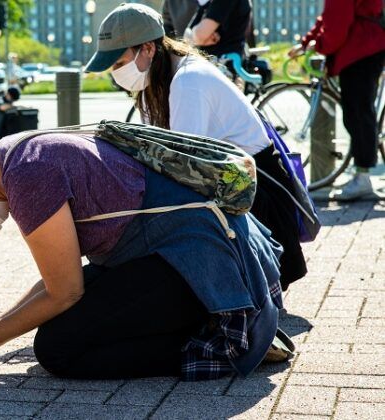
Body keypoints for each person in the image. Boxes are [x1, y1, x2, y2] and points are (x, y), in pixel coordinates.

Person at [0, 121, 290, 379]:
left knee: (58, 349)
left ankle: (223, 338)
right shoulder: (12, 153)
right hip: (177, 249)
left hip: (201, 259)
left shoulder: (28, 176)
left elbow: (65, 291)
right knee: (63, 324)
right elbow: (58, 278)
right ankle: (214, 322)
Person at [85, 3, 307, 290]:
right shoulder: (157, 81)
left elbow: (180, 169)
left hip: (258, 200)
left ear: (149, 49)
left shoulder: (189, 81)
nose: (116, 74)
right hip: (232, 187)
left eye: (119, 63)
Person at [290, 0, 385, 200]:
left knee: (358, 113)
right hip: (367, 45)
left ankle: (363, 176)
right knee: (360, 111)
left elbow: (336, 22)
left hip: (360, 50)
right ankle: (362, 173)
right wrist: (309, 41)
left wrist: (320, 45)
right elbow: (331, 16)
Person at [185, 0, 252, 58]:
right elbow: (185, 36)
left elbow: (199, 35)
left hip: (224, 65)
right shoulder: (207, 4)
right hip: (213, 63)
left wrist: (195, 37)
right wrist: (197, 38)